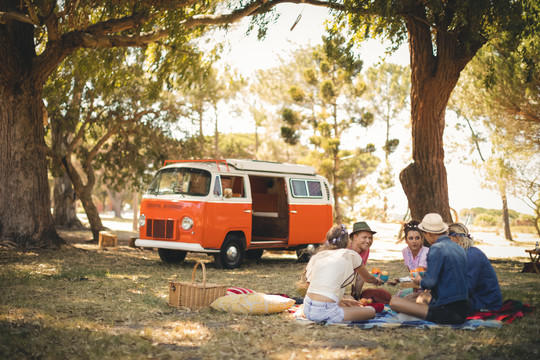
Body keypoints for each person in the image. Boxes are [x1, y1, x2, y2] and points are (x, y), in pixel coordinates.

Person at [389, 213, 469, 325]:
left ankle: (420, 316)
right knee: (414, 297)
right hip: (463, 309)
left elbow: (430, 282)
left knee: (394, 302)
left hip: (447, 311)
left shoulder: (436, 248)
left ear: (428, 234)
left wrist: (419, 281)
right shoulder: (458, 248)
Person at [301, 224, 377, 324]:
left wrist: (343, 301)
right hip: (325, 310)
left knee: (349, 304)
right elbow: (368, 279)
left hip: (307, 307)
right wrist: (378, 281)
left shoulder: (318, 255)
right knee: (371, 311)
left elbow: (320, 288)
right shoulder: (351, 254)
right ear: (348, 241)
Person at [448, 222, 502, 312]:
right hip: (475, 298)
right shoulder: (464, 254)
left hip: (485, 303)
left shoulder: (472, 255)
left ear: (457, 238)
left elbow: (466, 288)